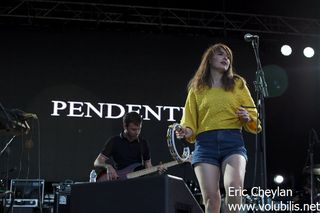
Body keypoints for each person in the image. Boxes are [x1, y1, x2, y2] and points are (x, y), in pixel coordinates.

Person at [176, 43, 262, 213]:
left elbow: (253, 115)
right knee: (211, 199)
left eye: (228, 56)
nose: (226, 58)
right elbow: (190, 123)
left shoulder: (238, 83)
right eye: (221, 54)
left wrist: (248, 117)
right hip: (205, 145)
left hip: (233, 143)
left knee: (234, 188)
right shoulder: (196, 88)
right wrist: (185, 130)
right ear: (209, 59)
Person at [94, 111, 154, 181]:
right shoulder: (114, 141)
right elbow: (97, 162)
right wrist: (108, 166)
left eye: (139, 129)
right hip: (118, 181)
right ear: (125, 126)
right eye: (133, 129)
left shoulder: (143, 143)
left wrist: (157, 170)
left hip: (137, 182)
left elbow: (148, 167)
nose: (137, 132)